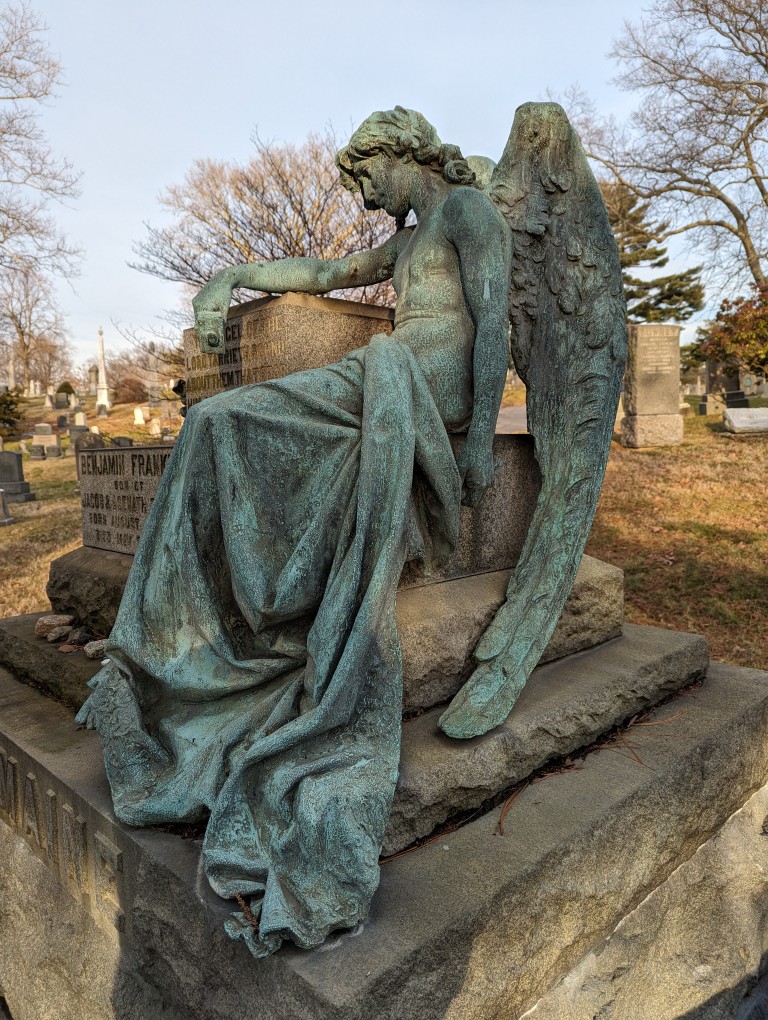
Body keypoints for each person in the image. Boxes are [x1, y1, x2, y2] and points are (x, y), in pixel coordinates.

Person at [77, 106, 512, 958]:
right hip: (384, 377)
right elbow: (319, 272)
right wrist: (231, 273)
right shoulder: (410, 239)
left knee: (222, 422)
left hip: (421, 382)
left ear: (401, 154)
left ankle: (198, 623)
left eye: (366, 176)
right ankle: (170, 635)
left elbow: (491, 326)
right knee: (216, 423)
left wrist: (477, 447)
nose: (362, 193)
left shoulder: (468, 214)